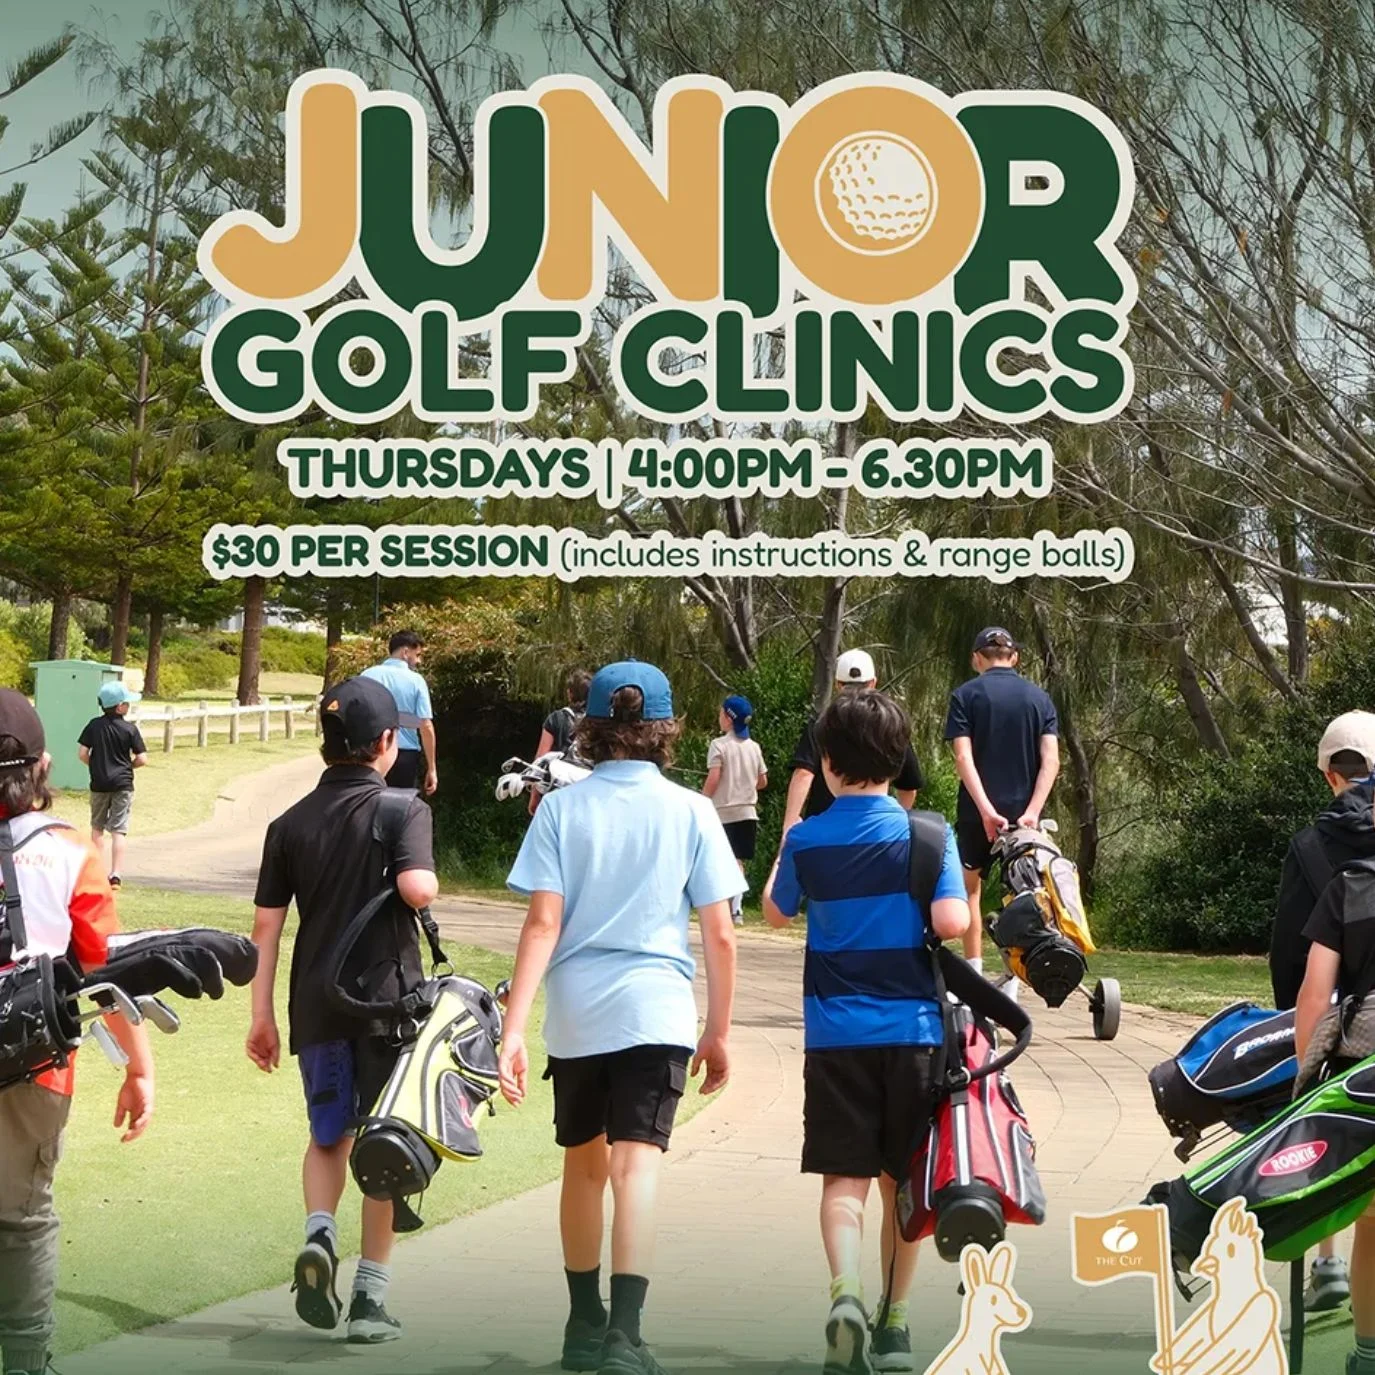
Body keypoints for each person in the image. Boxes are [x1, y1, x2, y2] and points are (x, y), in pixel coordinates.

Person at [500, 661, 741, 1375]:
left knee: (584, 1166)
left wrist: (513, 1028)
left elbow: (542, 925)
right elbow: (721, 932)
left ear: (592, 727)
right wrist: (718, 1030)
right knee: (636, 1168)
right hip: (657, 1008)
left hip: (577, 1016)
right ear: (665, 729)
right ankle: (625, 1338)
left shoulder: (560, 811)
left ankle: (583, 1326)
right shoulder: (690, 811)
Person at [763, 688, 970, 1375]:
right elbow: (950, 923)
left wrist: (791, 834)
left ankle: (844, 1291)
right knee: (900, 1183)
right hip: (912, 1034)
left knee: (842, 1180)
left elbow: (774, 911)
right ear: (898, 759)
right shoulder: (929, 834)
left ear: (826, 763)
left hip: (834, 1036)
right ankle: (895, 1323)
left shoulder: (807, 838)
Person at [246, 675, 439, 1346]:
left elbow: (265, 930)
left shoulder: (288, 823)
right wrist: (423, 878)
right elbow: (417, 888)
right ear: (386, 743)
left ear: (325, 743)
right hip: (387, 1005)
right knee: (383, 1145)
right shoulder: (402, 809)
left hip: (315, 1005)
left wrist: (261, 1016)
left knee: (329, 1135)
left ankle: (319, 1234)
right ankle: (368, 1301)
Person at [0, 689, 154, 1375]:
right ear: (40, 766)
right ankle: (29, 1360)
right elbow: (106, 970)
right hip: (34, 1065)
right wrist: (137, 1066)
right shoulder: (69, 852)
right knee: (24, 1214)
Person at [1270, 710, 1375, 1312]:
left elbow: (1292, 949)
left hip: (1337, 1018)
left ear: (1329, 774)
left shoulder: (1310, 845)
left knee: (1329, 1133)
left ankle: (1329, 1264)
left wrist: (1301, 1037)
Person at [1295, 822, 1375, 1375]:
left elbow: (1316, 998)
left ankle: (1368, 1354)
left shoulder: (1352, 886)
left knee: (1372, 1226)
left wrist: (1308, 1086)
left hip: (1362, 1075)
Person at [944, 627, 1059, 975]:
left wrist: (985, 811)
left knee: (971, 891)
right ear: (1015, 657)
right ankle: (1014, 978)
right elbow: (1051, 760)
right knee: (1023, 895)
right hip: (1025, 817)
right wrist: (1032, 813)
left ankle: (974, 974)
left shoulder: (965, 696)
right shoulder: (1040, 699)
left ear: (977, 658)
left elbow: (963, 759)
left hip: (977, 814)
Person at [782, 650, 924, 838]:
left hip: (823, 832)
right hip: (874, 831)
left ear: (838, 685)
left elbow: (803, 774)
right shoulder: (889, 724)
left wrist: (788, 829)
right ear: (873, 682)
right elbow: (908, 786)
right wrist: (895, 824)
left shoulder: (822, 722)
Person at [703, 694, 768, 925]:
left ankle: (719, 907)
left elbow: (714, 778)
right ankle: (737, 909)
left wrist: (702, 800)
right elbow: (763, 781)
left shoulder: (718, 745)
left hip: (723, 812)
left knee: (719, 861)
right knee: (738, 861)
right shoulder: (754, 747)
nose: (719, 717)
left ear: (729, 718)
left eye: (721, 713)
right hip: (748, 813)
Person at [77, 680, 149, 888]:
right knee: (118, 830)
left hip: (99, 783)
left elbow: (82, 753)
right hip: (123, 784)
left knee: (97, 828)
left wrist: (95, 765)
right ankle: (115, 874)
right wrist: (128, 766)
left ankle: (96, 872)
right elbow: (143, 759)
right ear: (119, 707)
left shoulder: (93, 726)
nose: (128, 706)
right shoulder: (130, 729)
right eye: (127, 703)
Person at [361, 631, 437, 795]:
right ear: (405, 652)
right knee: (401, 810)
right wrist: (432, 768)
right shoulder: (416, 680)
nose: (418, 661)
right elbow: (425, 725)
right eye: (417, 655)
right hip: (405, 756)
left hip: (371, 754)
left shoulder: (366, 675)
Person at [529, 668, 592, 817]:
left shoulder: (556, 718)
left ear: (570, 693)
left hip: (559, 790)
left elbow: (541, 758)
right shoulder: (597, 722)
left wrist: (535, 794)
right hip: (589, 790)